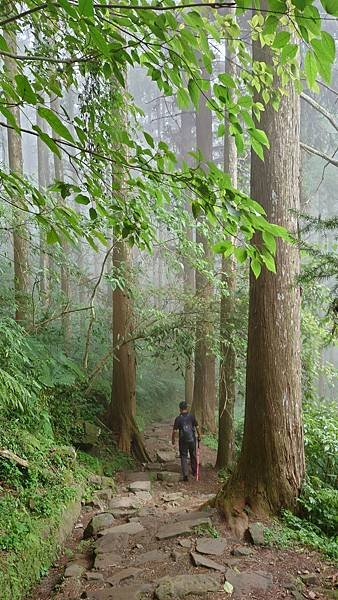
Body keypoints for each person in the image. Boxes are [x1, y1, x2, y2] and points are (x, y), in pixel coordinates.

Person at [172, 401, 201, 482]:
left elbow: (174, 431)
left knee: (184, 456)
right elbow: (197, 426)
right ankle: (195, 471)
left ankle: (185, 474)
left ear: (180, 409)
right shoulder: (191, 416)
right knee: (193, 454)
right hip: (192, 439)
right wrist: (199, 435)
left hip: (183, 440)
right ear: (186, 408)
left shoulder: (178, 419)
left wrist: (173, 439)